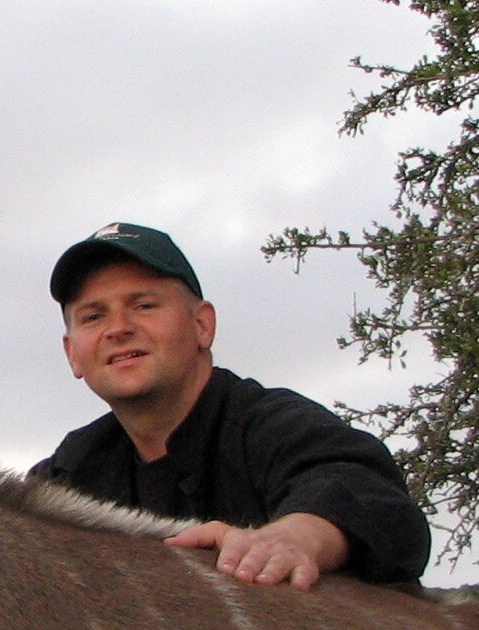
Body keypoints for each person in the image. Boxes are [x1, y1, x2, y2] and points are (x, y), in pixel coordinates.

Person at [32, 222, 429, 588]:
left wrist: (293, 537)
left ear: (202, 325)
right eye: (93, 316)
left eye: (144, 305)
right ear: (73, 354)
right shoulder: (72, 469)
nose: (117, 328)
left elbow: (365, 493)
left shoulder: (272, 424)